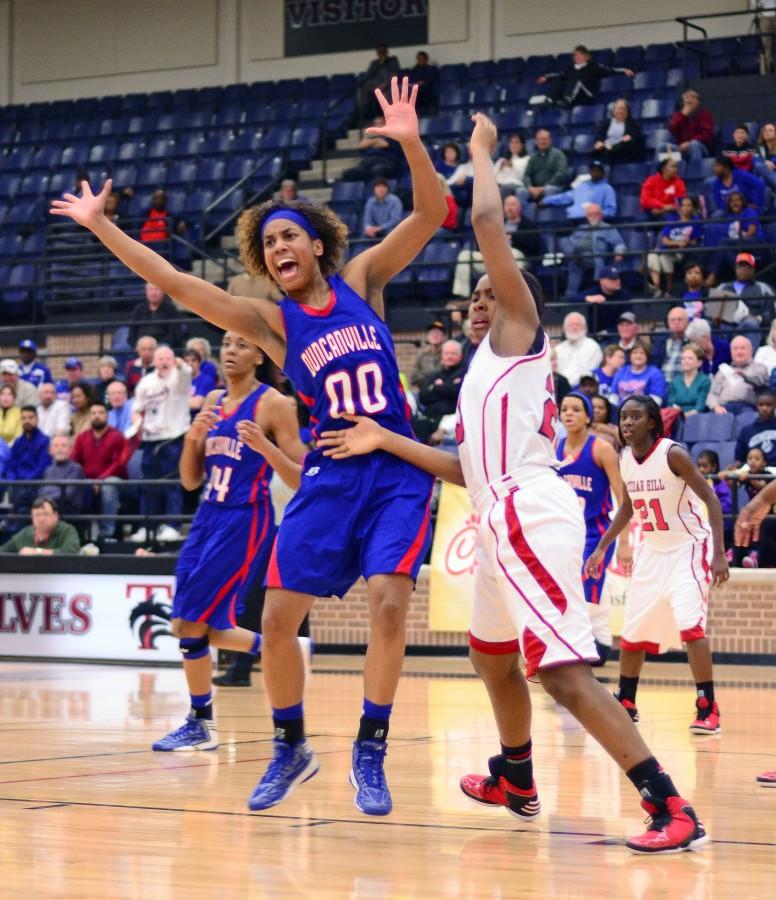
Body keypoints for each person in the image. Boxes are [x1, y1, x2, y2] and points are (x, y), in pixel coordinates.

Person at [51, 76, 447, 817]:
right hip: (330, 474)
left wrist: (412, 142)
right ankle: (290, 746)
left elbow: (431, 211)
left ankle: (371, 745)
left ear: (318, 242)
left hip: (393, 468)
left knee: (389, 603)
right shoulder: (269, 321)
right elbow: (171, 278)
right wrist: (102, 225)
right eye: (268, 243)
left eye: (289, 234)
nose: (279, 246)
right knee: (272, 622)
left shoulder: (363, 278)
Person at [319, 112, 709, 854]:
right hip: (496, 515)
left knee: (559, 673)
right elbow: (464, 468)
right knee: (488, 654)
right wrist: (385, 438)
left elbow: (490, 225)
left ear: (513, 301)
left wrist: (480, 152)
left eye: (487, 295)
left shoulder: (518, 334)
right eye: (473, 301)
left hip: (530, 513)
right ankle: (517, 776)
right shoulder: (480, 377)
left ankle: (671, 806)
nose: (477, 303)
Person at [151, 330, 309, 750]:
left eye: (242, 344)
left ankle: (201, 722)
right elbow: (189, 480)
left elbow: (302, 477)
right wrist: (191, 439)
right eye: (226, 344)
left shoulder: (275, 404)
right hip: (206, 516)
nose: (231, 352)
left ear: (260, 355)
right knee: (198, 627)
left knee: (189, 623)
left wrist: (265, 448)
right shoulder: (212, 402)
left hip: (244, 518)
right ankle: (289, 650)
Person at [586, 396, 728, 735]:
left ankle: (707, 705)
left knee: (691, 626)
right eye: (624, 417)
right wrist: (602, 547)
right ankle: (627, 701)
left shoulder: (672, 453)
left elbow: (710, 500)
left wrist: (719, 551)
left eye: (636, 416)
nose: (627, 422)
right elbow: (628, 507)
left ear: (652, 422)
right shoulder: (624, 458)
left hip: (689, 546)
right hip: (652, 549)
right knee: (633, 632)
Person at [557, 391, 630, 665]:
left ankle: (592, 644)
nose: (569, 413)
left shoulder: (601, 448)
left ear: (588, 416)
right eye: (564, 409)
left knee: (589, 587)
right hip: (564, 535)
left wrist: (624, 543)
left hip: (597, 533)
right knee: (569, 588)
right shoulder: (554, 447)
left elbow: (623, 499)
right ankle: (596, 644)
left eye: (576, 409)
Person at [130, 346, 192, 543]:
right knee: (148, 485)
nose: (164, 362)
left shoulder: (179, 376)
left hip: (173, 438)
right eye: (160, 358)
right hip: (149, 439)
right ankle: (146, 526)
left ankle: (172, 525)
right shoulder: (146, 381)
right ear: (154, 361)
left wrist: (181, 366)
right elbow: (136, 408)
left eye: (168, 358)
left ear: (173, 360)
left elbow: (185, 376)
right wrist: (137, 425)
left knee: (171, 484)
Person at [71, 402, 128, 541]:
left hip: (115, 480)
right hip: (88, 480)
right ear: (89, 416)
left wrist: (100, 480)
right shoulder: (82, 437)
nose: (97, 416)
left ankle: (106, 534)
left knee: (109, 485)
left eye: (101, 413)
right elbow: (75, 462)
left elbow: (118, 464)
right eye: (93, 413)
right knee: (83, 485)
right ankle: (83, 534)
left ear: (107, 415)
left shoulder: (117, 436)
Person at [724, 446, 776, 567]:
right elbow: (731, 483)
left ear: (764, 463)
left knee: (759, 526)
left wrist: (748, 477)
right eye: (750, 458)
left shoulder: (766, 474)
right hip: (751, 511)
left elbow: (763, 487)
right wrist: (731, 473)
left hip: (768, 513)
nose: (752, 461)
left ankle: (754, 555)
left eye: (756, 458)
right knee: (737, 521)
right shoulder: (745, 474)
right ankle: (732, 553)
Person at [535, 45, 634, 107]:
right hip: (574, 95)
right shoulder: (570, 68)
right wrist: (546, 77)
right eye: (575, 55)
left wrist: (624, 70)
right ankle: (551, 100)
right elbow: (559, 74)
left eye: (579, 55)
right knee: (560, 79)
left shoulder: (593, 66)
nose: (576, 57)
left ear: (586, 56)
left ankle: (567, 101)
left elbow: (609, 70)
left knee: (577, 81)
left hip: (587, 95)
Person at [563, 204, 626, 297]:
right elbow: (571, 243)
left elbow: (619, 243)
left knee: (597, 260)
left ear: (601, 215)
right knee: (573, 262)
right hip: (579, 257)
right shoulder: (581, 229)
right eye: (591, 214)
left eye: (596, 214)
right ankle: (571, 295)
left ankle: (600, 292)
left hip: (598, 257)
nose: (593, 216)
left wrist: (619, 252)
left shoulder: (607, 228)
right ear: (587, 216)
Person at [647, 197, 703, 297]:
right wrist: (677, 243)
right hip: (668, 248)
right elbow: (664, 239)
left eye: (688, 205)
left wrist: (685, 243)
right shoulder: (672, 219)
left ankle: (669, 288)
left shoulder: (695, 221)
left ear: (693, 208)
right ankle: (657, 287)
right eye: (683, 205)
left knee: (664, 257)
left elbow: (695, 241)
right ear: (679, 208)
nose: (685, 208)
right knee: (652, 255)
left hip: (683, 252)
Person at [414, 340, 465, 444]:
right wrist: (448, 386)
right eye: (446, 353)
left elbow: (457, 393)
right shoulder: (435, 375)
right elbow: (423, 396)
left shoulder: (464, 373)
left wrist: (436, 388)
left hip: (450, 419)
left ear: (460, 356)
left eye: (453, 353)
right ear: (442, 356)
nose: (449, 356)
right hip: (429, 418)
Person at [6, 406, 52, 516]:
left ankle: (11, 517)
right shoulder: (18, 442)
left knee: (23, 502)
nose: (27, 421)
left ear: (37, 419)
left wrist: (25, 481)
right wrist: (12, 480)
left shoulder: (45, 441)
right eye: (24, 418)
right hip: (18, 484)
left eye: (30, 418)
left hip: (36, 484)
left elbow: (43, 467)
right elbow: (11, 465)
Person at [707, 335, 769, 414]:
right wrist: (715, 407)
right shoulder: (723, 370)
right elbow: (713, 394)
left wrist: (745, 376)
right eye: (735, 349)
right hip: (723, 409)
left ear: (751, 350)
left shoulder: (759, 368)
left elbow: (760, 381)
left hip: (749, 408)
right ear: (731, 352)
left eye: (742, 348)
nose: (739, 351)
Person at [714, 252, 775, 333]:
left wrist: (758, 318)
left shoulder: (763, 288)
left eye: (747, 267)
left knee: (751, 323)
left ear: (753, 270)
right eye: (740, 267)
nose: (743, 270)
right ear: (735, 269)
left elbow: (771, 313)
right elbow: (711, 311)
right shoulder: (722, 287)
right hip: (726, 325)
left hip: (750, 325)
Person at [0, 497, 80, 555]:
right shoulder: (26, 533)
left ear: (56, 515)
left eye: (46, 514)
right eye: (37, 515)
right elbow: (3, 551)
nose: (41, 519)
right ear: (32, 517)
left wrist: (37, 552)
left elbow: (72, 552)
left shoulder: (67, 530)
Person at [541, 159, 617, 220]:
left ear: (603, 173)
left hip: (589, 222)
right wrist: (546, 201)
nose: (595, 173)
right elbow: (565, 197)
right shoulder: (582, 186)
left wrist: (594, 214)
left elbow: (610, 211)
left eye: (597, 171)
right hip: (572, 219)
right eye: (593, 170)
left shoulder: (607, 189)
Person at [341, 115, 402, 181]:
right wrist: (375, 141)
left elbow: (385, 144)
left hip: (385, 163)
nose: (378, 125)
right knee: (348, 173)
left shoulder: (391, 136)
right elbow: (361, 145)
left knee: (377, 169)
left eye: (380, 123)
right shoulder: (371, 138)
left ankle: (378, 190)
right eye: (376, 124)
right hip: (367, 164)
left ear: (385, 124)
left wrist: (371, 143)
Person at [517, 129, 568, 205]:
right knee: (520, 191)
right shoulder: (533, 157)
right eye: (539, 139)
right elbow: (526, 175)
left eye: (544, 139)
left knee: (549, 190)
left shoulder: (558, 155)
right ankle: (524, 216)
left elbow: (561, 174)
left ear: (550, 140)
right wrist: (530, 187)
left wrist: (543, 188)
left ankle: (548, 216)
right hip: (534, 189)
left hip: (553, 187)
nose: (542, 142)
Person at [37, 434, 85, 516]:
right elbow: (41, 493)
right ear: (50, 450)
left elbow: (68, 494)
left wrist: (47, 499)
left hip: (67, 512)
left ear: (70, 450)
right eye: (56, 446)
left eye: (64, 446)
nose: (60, 449)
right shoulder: (48, 470)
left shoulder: (76, 469)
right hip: (48, 508)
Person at [128, 282, 187, 348]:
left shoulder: (170, 308)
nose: (153, 293)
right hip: (142, 345)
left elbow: (175, 332)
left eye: (156, 289)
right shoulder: (139, 309)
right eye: (150, 289)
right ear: (146, 292)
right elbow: (132, 331)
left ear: (163, 292)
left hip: (163, 345)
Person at [577, 266, 631, 335]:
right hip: (594, 334)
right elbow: (571, 298)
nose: (618, 281)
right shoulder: (595, 291)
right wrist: (588, 298)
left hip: (617, 334)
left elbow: (628, 319)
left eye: (618, 278)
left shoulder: (624, 294)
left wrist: (607, 332)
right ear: (602, 281)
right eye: (613, 279)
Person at [610, 340, 666, 406]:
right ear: (630, 355)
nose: (638, 356)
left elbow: (656, 400)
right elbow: (613, 396)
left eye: (642, 353)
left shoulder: (655, 373)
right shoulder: (621, 371)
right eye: (635, 352)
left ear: (647, 356)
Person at [554, 312, 603, 387]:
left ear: (585, 328)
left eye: (578, 325)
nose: (574, 328)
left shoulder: (592, 346)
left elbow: (587, 372)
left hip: (582, 388)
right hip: (560, 387)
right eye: (571, 325)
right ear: (564, 328)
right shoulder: (558, 348)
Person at [664, 89, 714, 162]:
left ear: (698, 102)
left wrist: (689, 142)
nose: (689, 100)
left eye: (693, 97)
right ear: (683, 101)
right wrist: (683, 115)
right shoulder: (678, 115)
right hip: (681, 148)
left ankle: (696, 171)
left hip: (700, 147)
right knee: (662, 147)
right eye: (686, 97)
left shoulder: (704, 114)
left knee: (693, 145)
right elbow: (672, 129)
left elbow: (707, 134)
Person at [733, 389, 776, 467]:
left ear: (775, 405)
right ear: (756, 406)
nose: (764, 408)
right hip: (753, 475)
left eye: (768, 405)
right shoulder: (746, 431)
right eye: (761, 405)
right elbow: (739, 459)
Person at [593, 97, 643, 165]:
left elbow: (636, 137)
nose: (620, 111)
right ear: (613, 111)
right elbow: (599, 137)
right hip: (606, 149)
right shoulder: (605, 123)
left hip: (623, 152)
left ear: (628, 112)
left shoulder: (633, 125)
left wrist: (630, 138)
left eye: (623, 109)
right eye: (618, 108)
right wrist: (599, 142)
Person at [357, 44, 399, 121]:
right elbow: (368, 75)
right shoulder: (374, 63)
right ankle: (363, 112)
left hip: (387, 84)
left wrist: (382, 85)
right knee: (363, 86)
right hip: (374, 84)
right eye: (379, 52)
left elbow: (394, 74)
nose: (381, 53)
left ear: (386, 52)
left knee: (385, 79)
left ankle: (388, 115)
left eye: (383, 51)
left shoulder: (393, 60)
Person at [667, 344, 711, 415]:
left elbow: (701, 406)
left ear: (699, 363)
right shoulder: (675, 381)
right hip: (677, 417)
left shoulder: (705, 380)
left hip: (698, 418)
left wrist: (686, 415)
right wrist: (676, 411)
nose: (685, 361)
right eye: (683, 358)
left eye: (690, 358)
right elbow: (671, 403)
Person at [651, 307, 691, 382]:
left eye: (679, 319)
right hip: (662, 384)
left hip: (685, 385)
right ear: (668, 323)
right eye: (673, 320)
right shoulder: (661, 342)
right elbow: (654, 366)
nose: (676, 322)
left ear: (687, 322)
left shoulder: (692, 341)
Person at [409, 320, 445, 391]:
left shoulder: (447, 355)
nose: (435, 335)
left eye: (438, 333)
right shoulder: (422, 357)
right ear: (428, 337)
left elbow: (446, 376)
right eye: (432, 333)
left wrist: (424, 373)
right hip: (424, 393)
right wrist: (433, 376)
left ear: (443, 337)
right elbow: (413, 379)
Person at [696, 449, 732, 518]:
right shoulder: (696, 483)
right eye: (699, 466)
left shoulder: (720, 484)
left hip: (716, 519)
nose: (701, 469)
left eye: (705, 466)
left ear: (714, 467)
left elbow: (726, 506)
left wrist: (712, 508)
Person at [184, 348, 217, 413]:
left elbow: (196, 404)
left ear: (199, 363)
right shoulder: (182, 381)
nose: (190, 363)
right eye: (187, 361)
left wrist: (177, 401)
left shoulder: (206, 381)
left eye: (193, 360)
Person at [407, 50, 438, 115]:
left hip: (428, 94)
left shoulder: (431, 69)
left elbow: (431, 80)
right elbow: (411, 81)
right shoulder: (414, 70)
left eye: (421, 58)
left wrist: (422, 83)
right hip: (417, 96)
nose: (420, 60)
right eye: (418, 58)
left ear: (426, 59)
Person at [754, 121, 776, 189]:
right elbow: (755, 161)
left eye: (770, 130)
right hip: (766, 177)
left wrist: (772, 162)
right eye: (765, 130)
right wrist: (765, 162)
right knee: (759, 166)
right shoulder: (759, 147)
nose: (766, 132)